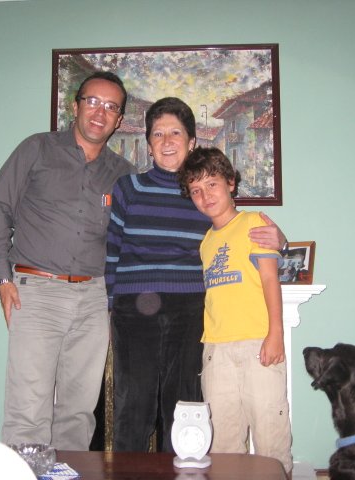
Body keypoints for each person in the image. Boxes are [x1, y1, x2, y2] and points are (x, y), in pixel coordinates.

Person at [105, 97, 287, 453]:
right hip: (133, 309)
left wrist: (280, 239)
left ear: (191, 142)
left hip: (189, 309)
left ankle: (181, 472)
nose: (166, 141)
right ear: (148, 143)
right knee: (133, 405)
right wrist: (110, 305)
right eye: (158, 134)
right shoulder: (128, 188)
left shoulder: (201, 195)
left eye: (175, 133)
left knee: (184, 407)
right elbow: (112, 250)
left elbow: (236, 231)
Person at [0, 71, 136, 451]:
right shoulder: (37, 149)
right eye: (92, 102)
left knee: (79, 413)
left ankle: (67, 475)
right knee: (28, 410)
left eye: (110, 107)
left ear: (118, 120)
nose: (100, 113)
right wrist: (2, 278)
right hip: (37, 293)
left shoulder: (123, 174)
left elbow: (130, 238)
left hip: (94, 298)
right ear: (75, 106)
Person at [178, 146, 293, 474]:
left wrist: (275, 334)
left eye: (211, 184)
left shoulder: (254, 223)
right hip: (216, 350)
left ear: (230, 182)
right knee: (222, 441)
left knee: (270, 435)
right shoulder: (206, 242)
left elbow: (270, 280)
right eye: (196, 191)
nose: (205, 196)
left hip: (258, 344)